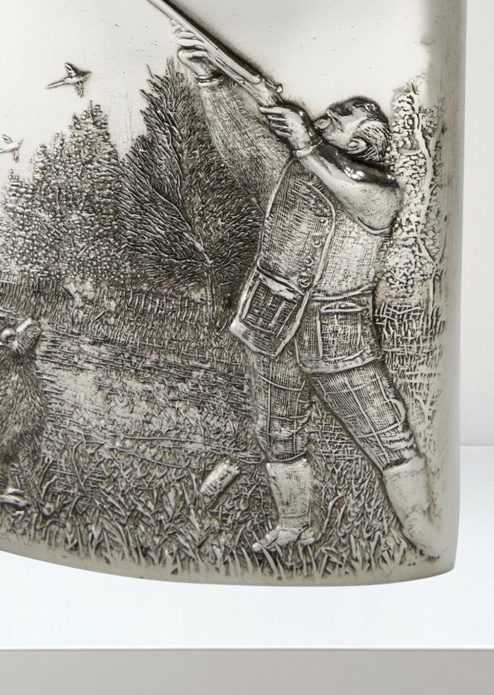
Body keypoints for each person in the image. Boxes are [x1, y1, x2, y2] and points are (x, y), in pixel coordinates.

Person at [178, 38, 441, 557]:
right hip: (270, 320)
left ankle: (420, 529)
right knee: (277, 432)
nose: (327, 116)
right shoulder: (295, 169)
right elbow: (240, 147)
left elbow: (357, 191)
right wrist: (211, 81)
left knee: (387, 435)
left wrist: (306, 144)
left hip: (338, 336)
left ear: (364, 142)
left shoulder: (379, 191)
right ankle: (294, 524)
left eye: (342, 118)